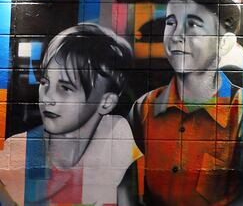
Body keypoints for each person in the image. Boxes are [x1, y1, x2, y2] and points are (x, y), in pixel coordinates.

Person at [121, 0, 243, 206]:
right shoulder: (144, 108)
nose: (177, 36)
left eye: (193, 24)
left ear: (224, 43)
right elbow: (122, 180)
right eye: (171, 22)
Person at [0, 23, 139, 205]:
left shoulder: (118, 136)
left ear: (106, 103)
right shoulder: (20, 149)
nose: (48, 98)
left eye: (65, 88)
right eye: (45, 82)